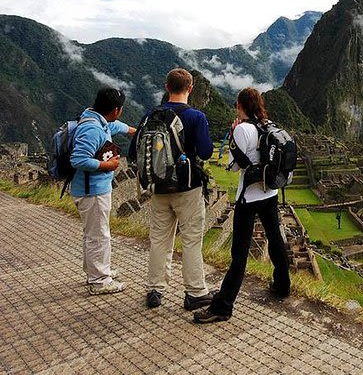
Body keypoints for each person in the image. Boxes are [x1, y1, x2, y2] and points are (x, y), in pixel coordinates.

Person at [194, 87, 290, 323]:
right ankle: (282, 286)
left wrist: (234, 137)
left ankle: (223, 306)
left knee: (239, 253)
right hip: (270, 192)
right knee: (275, 239)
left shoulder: (242, 130)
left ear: (240, 106)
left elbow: (234, 167)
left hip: (248, 198)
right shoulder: (268, 126)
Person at [129, 68, 215, 310]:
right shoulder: (195, 117)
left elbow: (133, 152)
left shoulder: (149, 116)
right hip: (188, 188)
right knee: (191, 240)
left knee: (159, 240)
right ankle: (195, 292)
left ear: (167, 88)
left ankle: (155, 289)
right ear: (190, 89)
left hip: (158, 189)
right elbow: (207, 152)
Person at [71, 87, 136, 295]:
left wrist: (133, 131)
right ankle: (99, 280)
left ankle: (96, 270)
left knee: (93, 233)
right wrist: (107, 166)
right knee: (99, 235)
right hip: (92, 192)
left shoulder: (99, 120)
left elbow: (115, 126)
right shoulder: (92, 129)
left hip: (95, 189)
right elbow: (78, 159)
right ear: (116, 109)